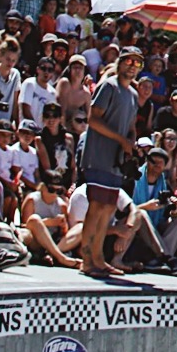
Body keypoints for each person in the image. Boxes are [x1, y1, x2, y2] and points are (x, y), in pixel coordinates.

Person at [74, 48, 142, 276]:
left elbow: (132, 127)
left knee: (109, 207)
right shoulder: (108, 86)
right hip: (98, 155)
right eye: (129, 61)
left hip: (117, 160)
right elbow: (93, 118)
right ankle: (86, 260)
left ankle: (99, 258)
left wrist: (130, 143)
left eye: (138, 63)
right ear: (121, 62)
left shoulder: (133, 94)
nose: (133, 66)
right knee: (96, 207)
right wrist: (121, 140)